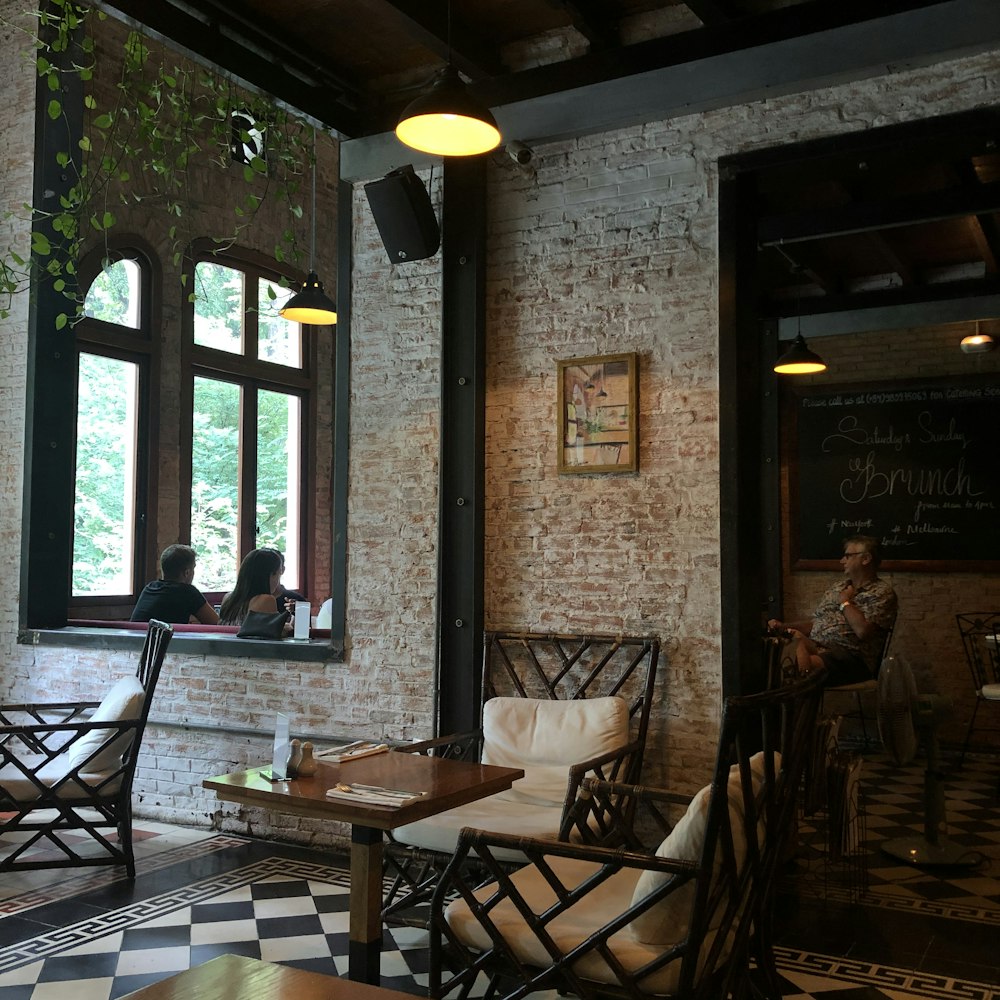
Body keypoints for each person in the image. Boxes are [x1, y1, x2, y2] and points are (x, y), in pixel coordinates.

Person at [767, 535, 897, 686]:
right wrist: (782, 626)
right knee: (783, 644)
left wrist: (845, 602)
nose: (842, 561)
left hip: (851, 658)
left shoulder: (881, 593)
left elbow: (863, 631)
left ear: (866, 558)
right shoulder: (837, 588)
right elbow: (816, 623)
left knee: (792, 665)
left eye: (848, 556)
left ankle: (797, 698)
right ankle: (798, 692)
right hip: (817, 647)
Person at [131, 544, 220, 625]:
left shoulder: (150, 588)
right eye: (193, 568)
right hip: (166, 642)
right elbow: (216, 624)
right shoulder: (188, 592)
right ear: (187, 573)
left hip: (134, 641)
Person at [219, 548, 290, 630]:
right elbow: (271, 634)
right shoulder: (265, 600)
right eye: (279, 572)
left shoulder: (228, 598)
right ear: (271, 574)